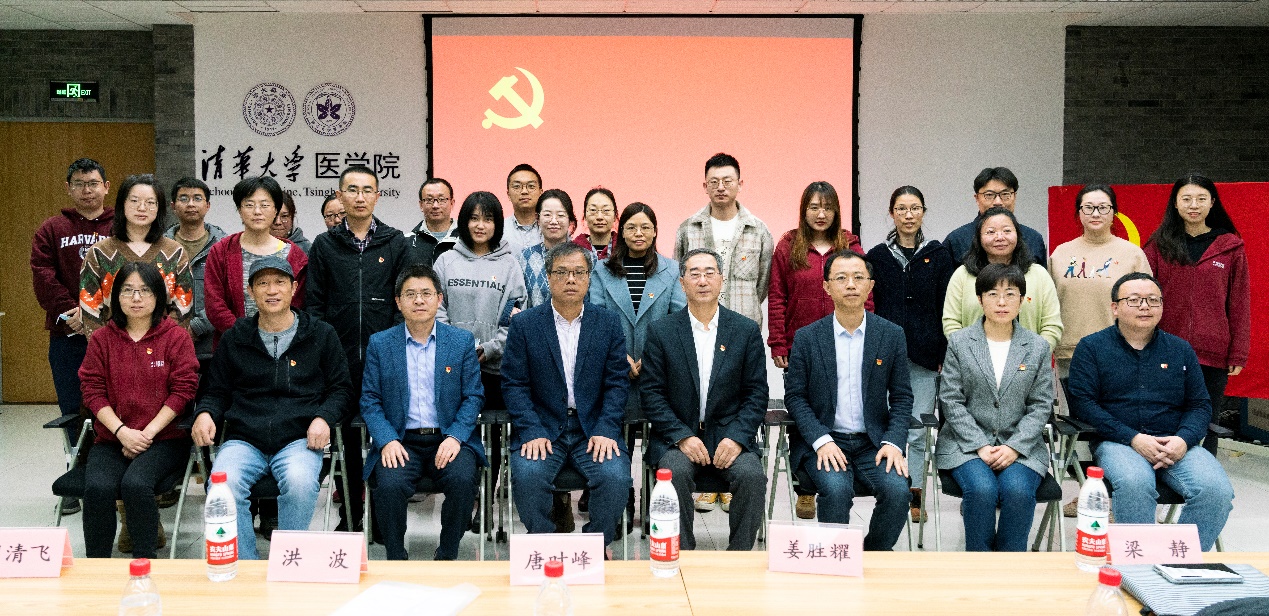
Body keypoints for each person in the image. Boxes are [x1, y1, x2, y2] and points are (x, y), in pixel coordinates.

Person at [192, 256, 353, 558]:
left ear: (294, 288)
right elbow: (216, 390)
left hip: (298, 439)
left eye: (279, 282)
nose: (272, 290)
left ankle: (288, 561)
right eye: (263, 283)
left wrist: (323, 418)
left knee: (300, 483)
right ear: (250, 291)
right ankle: (246, 567)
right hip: (244, 440)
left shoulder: (321, 334)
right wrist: (204, 413)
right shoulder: (235, 337)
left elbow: (341, 389)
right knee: (223, 487)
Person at [1068, 272, 1234, 551]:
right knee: (1135, 484)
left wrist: (1183, 439)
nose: (1145, 306)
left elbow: (1199, 404)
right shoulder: (1092, 348)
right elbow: (1083, 405)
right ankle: (1140, 565)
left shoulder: (1180, 349)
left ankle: (1179, 560)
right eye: (1134, 300)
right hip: (1119, 442)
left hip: (1175, 441)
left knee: (1216, 491)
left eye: (1153, 300)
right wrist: (1133, 438)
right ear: (1115, 307)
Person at [502, 242, 631, 552]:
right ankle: (545, 547)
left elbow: (617, 383)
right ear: (548, 277)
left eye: (578, 272)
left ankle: (593, 549)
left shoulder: (608, 323)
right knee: (528, 477)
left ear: (589, 278)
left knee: (615, 478)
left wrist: (606, 428)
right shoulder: (525, 324)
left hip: (592, 428)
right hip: (543, 427)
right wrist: (531, 430)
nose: (570, 279)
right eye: (561, 272)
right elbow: (514, 385)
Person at [641, 248, 768, 551]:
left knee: (752, 476)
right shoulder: (662, 331)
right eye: (694, 274)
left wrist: (736, 438)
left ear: (722, 280)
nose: (702, 281)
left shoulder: (745, 330)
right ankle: (684, 556)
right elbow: (652, 393)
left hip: (729, 436)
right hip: (678, 438)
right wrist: (681, 436)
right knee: (672, 474)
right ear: (682, 283)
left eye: (710, 273)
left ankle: (739, 558)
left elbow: (756, 394)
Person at [785, 250, 913, 550]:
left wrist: (894, 442)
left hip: (874, 442)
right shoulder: (807, 337)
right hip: (826, 440)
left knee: (898, 492)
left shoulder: (891, 335)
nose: (851, 285)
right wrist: (821, 440)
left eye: (858, 277)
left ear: (870, 286)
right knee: (836, 491)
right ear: (827, 286)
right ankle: (836, 560)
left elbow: (902, 397)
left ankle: (871, 554)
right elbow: (796, 397)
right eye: (841, 278)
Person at [307, 164, 410, 531]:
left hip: (386, 359)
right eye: (352, 189)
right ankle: (350, 517)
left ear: (377, 196)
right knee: (346, 441)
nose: (360, 197)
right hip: (339, 362)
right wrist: (324, 351)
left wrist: (392, 346)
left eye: (367, 190)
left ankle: (383, 515)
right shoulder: (325, 245)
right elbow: (314, 305)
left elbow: (404, 302)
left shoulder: (396, 243)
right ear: (340, 195)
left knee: (385, 435)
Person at [361, 264, 485, 560]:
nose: (419, 300)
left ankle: (447, 554)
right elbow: (370, 400)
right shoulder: (381, 343)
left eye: (426, 293)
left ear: (439, 299)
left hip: (448, 438)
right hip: (401, 440)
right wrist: (387, 440)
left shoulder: (460, 341)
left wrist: (455, 436)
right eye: (410, 294)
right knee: (389, 484)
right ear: (398, 301)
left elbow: (473, 396)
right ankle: (396, 557)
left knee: (463, 479)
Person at [79, 262, 198, 558]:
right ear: (115, 296)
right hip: (112, 438)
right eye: (127, 290)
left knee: (136, 484)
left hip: (164, 439)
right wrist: (122, 433)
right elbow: (92, 391)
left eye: (145, 290)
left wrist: (146, 434)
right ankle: (96, 567)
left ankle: (145, 565)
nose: (136, 298)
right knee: (97, 488)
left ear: (158, 296)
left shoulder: (176, 337)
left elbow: (184, 390)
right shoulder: (102, 339)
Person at [936, 263, 1055, 552]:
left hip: (1021, 445)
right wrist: (979, 444)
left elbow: (1041, 405)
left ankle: (1010, 564)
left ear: (1022, 300)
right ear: (980, 299)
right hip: (966, 445)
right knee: (981, 489)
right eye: (993, 294)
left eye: (1010, 294)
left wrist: (1014, 446)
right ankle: (979, 561)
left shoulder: (1037, 346)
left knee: (1017, 491)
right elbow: (950, 399)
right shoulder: (961, 342)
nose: (1002, 302)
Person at [588, 202, 685, 527]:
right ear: (621, 231)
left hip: (658, 373)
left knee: (660, 444)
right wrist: (620, 358)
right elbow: (597, 318)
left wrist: (652, 357)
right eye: (631, 227)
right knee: (618, 444)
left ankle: (656, 502)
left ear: (655, 231)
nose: (638, 233)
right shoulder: (602, 270)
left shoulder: (671, 270)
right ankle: (622, 502)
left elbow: (677, 319)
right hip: (612, 373)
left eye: (645, 227)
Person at [866, 186, 956, 523]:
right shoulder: (877, 257)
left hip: (925, 354)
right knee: (883, 426)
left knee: (918, 429)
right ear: (891, 213)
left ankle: (915, 493)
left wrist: (944, 351)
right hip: (882, 355)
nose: (908, 215)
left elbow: (947, 306)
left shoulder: (940, 255)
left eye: (915, 208)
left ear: (923, 212)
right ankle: (890, 492)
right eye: (901, 208)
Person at [31, 157, 115, 511]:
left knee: (118, 404)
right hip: (68, 334)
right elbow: (42, 275)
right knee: (73, 406)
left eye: (93, 183)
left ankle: (116, 475)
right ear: (68, 188)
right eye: (79, 184)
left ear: (106, 187)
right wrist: (73, 312)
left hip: (115, 333)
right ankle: (78, 471)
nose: (86, 190)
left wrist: (98, 313)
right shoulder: (51, 228)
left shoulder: (121, 226)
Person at [1143, 174, 1249, 437]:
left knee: (1206, 423)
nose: (1194, 205)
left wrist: (1238, 352)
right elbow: (1143, 296)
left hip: (1212, 351)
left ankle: (1205, 464)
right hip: (1164, 348)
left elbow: (1239, 302)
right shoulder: (1158, 246)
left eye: (1201, 199)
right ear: (1175, 203)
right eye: (1186, 199)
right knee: (1162, 419)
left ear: (1212, 202)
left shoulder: (1230, 247)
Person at [1050, 184, 1152, 381]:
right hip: (1070, 353)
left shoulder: (1132, 254)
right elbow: (1049, 306)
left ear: (1114, 212)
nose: (1095, 214)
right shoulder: (1061, 253)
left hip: (1120, 353)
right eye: (1088, 208)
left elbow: (1146, 306)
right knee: (1074, 402)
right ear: (1079, 212)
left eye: (1103, 207)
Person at [79, 174, 193, 336]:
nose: (142, 207)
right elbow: (90, 309)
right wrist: (107, 345)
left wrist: (162, 343)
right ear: (122, 204)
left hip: (163, 346)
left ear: (159, 208)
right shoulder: (99, 252)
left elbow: (183, 308)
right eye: (134, 201)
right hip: (112, 346)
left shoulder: (175, 252)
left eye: (150, 202)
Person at [674, 152, 774, 327]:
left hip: (744, 327)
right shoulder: (688, 228)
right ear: (705, 186)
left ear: (739, 185)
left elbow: (763, 285)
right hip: (698, 326)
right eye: (714, 182)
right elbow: (679, 276)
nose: (721, 187)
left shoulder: (758, 231)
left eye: (727, 181)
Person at [943, 206, 1062, 353]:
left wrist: (1033, 358)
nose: (999, 237)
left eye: (1007, 231)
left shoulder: (1039, 274)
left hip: (1030, 362)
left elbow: (1051, 325)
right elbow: (951, 323)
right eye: (991, 232)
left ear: (1018, 235)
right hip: (973, 361)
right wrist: (970, 357)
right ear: (979, 237)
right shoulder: (962, 275)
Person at [204, 176, 308, 336]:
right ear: (239, 210)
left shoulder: (295, 255)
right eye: (249, 205)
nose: (257, 211)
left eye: (264, 205)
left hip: (285, 342)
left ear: (275, 210)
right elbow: (215, 305)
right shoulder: (220, 252)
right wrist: (244, 336)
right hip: (234, 342)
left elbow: (297, 305)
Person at [164, 177, 228, 373]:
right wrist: (173, 328)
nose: (191, 204)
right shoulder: (161, 248)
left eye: (197, 198)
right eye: (184, 198)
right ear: (173, 206)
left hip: (213, 348)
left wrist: (197, 327)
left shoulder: (224, 246)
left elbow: (227, 295)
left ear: (208, 205)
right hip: (167, 345)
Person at [943, 167, 1048, 268]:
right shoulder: (956, 240)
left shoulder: (1033, 238)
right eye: (989, 195)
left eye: (1005, 194)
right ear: (977, 198)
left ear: (1014, 197)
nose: (998, 202)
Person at [520, 189, 577, 309]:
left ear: (570, 220)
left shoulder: (585, 257)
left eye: (560, 215)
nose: (554, 221)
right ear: (537, 219)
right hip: (535, 321)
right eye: (547, 215)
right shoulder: (525, 257)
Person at [408, 177, 459, 266]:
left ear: (452, 203)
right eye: (429, 200)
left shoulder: (466, 238)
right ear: (421, 205)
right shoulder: (407, 242)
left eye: (441, 199)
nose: (435, 205)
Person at [503, 164, 544, 253]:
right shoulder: (499, 229)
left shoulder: (552, 228)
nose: (524, 191)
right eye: (517, 186)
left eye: (531, 186)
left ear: (540, 193)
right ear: (508, 194)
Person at [573, 187, 618, 261]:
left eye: (606, 210)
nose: (599, 217)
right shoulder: (572, 249)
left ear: (615, 216)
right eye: (593, 210)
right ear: (585, 215)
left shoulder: (625, 248)